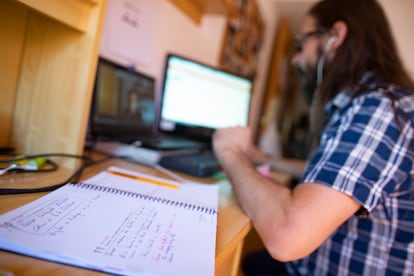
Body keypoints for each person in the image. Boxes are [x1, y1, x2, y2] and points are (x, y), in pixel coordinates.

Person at [212, 0, 414, 275]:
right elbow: (327, 177)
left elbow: (287, 235)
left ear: (335, 37)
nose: (295, 59)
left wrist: (229, 153)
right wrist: (267, 160)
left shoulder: (380, 109)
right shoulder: (369, 105)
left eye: (301, 43)